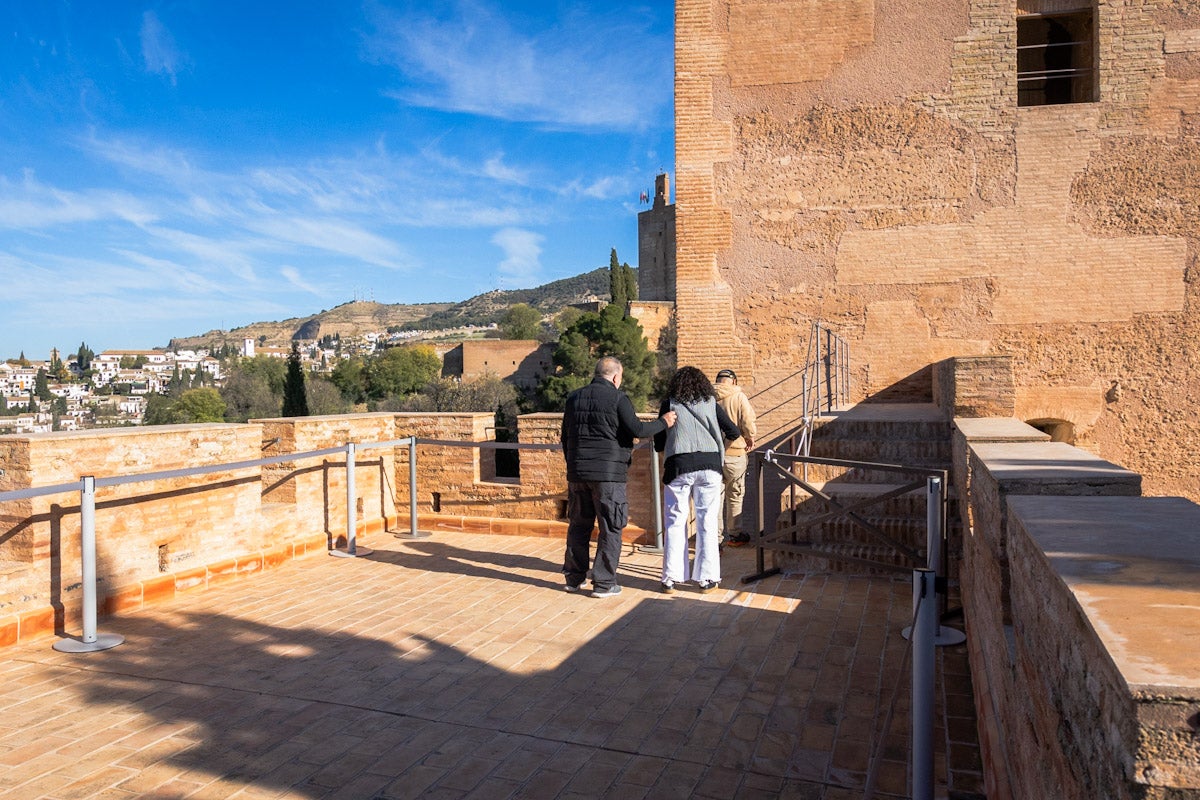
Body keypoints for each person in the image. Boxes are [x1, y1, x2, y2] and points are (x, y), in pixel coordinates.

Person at [561, 356, 676, 598]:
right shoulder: (618, 398)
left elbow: (565, 436)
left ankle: (574, 579)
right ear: (616, 377)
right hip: (608, 475)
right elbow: (637, 430)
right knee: (611, 527)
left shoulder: (573, 398)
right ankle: (603, 583)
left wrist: (573, 464)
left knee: (578, 525)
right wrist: (663, 422)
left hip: (578, 473)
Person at [654, 366, 741, 594]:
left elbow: (658, 442)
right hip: (710, 466)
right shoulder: (711, 403)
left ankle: (670, 578)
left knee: (674, 521)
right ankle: (707, 579)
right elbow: (733, 431)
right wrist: (716, 446)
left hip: (679, 465)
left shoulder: (670, 404)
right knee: (707, 522)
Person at [714, 368, 757, 547]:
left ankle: (715, 539)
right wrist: (750, 436)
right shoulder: (739, 397)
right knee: (735, 495)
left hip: (714, 455)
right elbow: (747, 421)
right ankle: (735, 535)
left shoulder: (708, 397)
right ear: (734, 381)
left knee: (716, 497)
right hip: (735, 453)